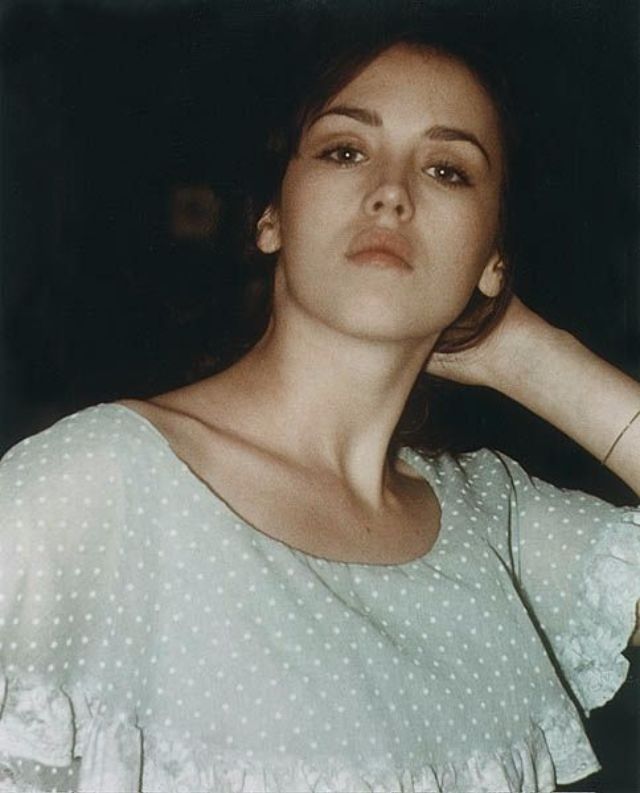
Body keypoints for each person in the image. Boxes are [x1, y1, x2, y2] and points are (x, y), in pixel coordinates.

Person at [0, 22, 638, 793]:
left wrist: (533, 357)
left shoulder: (497, 523)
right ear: (270, 216)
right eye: (345, 151)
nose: (392, 193)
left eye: (447, 170)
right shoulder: (98, 485)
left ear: (493, 257)